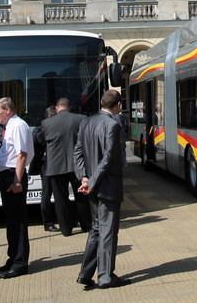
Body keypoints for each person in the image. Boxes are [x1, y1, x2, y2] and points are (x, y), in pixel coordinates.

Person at [74, 89, 129, 290]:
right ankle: (105, 276)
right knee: (107, 232)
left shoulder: (86, 123)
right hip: (106, 187)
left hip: (92, 187)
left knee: (96, 229)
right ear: (118, 105)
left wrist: (84, 178)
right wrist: (92, 181)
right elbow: (108, 158)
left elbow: (77, 153)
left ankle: (85, 274)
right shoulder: (112, 125)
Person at [0, 97, 33, 279]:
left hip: (12, 176)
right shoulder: (10, 126)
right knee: (11, 220)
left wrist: (16, 181)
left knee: (18, 220)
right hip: (7, 175)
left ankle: (20, 262)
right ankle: (13, 257)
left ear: (8, 110)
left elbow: (22, 154)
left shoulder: (17, 125)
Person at [38, 98, 91, 236]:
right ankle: (86, 225)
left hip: (55, 166)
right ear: (70, 107)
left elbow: (40, 140)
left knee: (60, 198)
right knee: (81, 196)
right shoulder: (81, 119)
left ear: (56, 109)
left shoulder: (46, 123)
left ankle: (66, 229)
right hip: (77, 165)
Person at [33, 105, 58, 232]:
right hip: (46, 166)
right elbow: (37, 142)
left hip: (59, 164)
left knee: (61, 194)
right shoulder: (39, 130)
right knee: (46, 193)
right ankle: (48, 222)